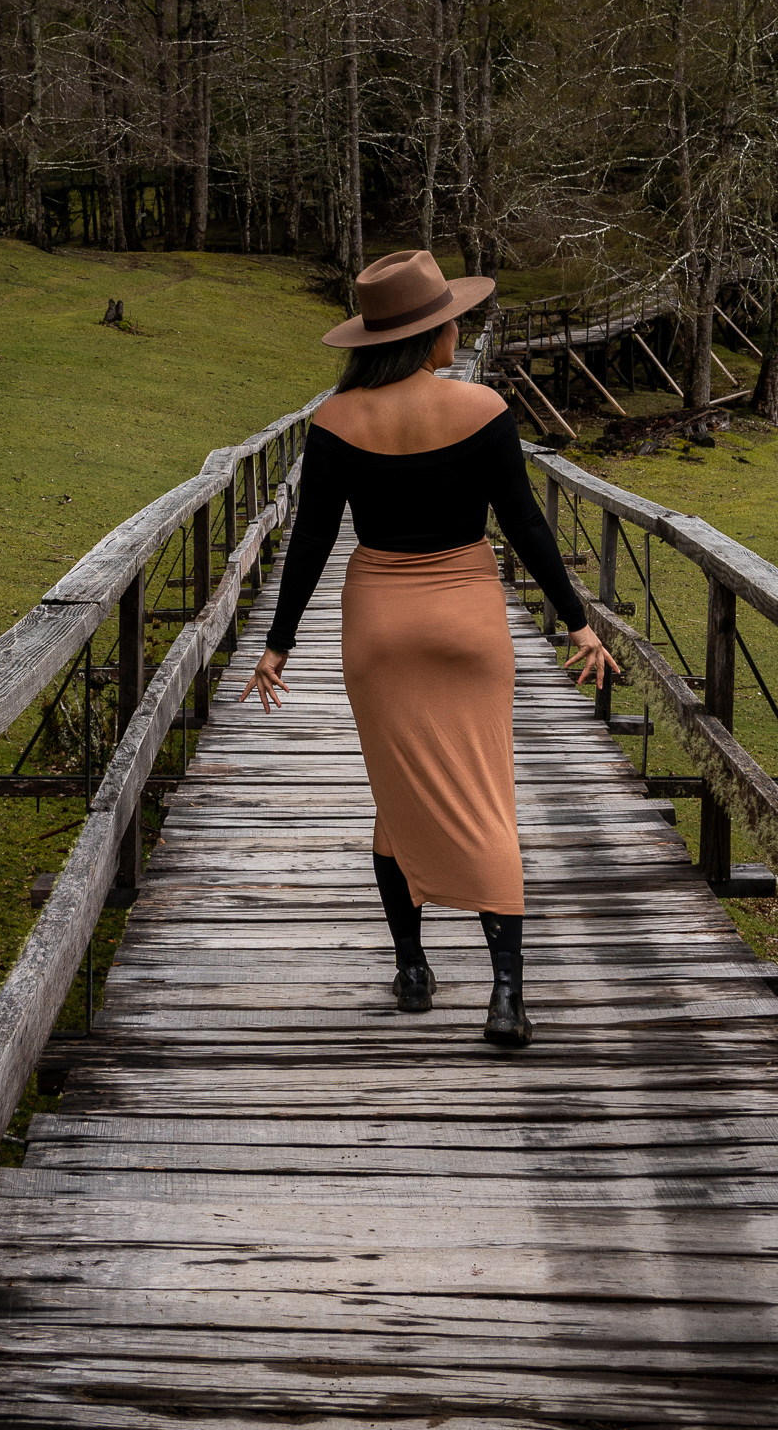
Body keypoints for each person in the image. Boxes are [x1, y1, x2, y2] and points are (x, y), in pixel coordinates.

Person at [241, 250, 620, 1049]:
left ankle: (412, 971)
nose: (459, 329)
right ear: (428, 335)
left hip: (379, 626)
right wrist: (577, 622)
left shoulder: (337, 422)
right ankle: (507, 996)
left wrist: (277, 644)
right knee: (485, 795)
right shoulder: (483, 408)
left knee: (401, 795)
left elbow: (310, 540)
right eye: (451, 319)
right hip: (466, 623)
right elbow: (525, 525)